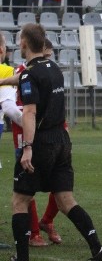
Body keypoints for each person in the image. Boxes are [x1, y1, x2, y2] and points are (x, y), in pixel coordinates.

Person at [4, 24, 102, 261]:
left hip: (40, 142)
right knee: (66, 201)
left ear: (23, 43)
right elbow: (21, 78)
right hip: (62, 140)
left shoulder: (30, 74)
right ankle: (98, 250)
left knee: (20, 200)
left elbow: (29, 112)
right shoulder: (53, 69)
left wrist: (27, 148)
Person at [0, 37, 62, 247]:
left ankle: (47, 221)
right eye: (45, 55)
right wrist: (33, 124)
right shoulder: (19, 71)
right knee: (27, 185)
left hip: (51, 135)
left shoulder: (51, 70)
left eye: (50, 57)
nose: (47, 60)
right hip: (26, 135)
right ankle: (34, 232)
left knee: (60, 182)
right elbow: (18, 108)